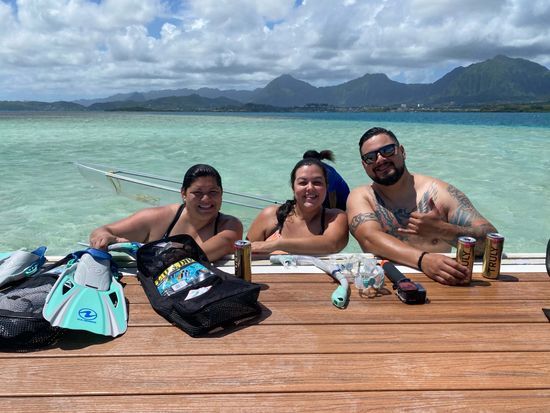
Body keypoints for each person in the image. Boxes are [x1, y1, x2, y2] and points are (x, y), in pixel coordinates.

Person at [347, 127, 498, 285]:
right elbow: (369, 239)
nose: (380, 159)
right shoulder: (362, 197)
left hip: (444, 282)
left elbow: (491, 242)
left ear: (402, 151)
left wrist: (442, 230)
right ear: (364, 165)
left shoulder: (439, 193)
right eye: (370, 157)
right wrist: (423, 260)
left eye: (387, 150)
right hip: (385, 283)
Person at [89, 164, 243, 262]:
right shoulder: (157, 218)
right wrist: (106, 238)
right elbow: (100, 231)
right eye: (197, 192)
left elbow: (201, 253)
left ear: (222, 194)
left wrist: (140, 248)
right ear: (183, 194)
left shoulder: (230, 226)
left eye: (213, 192)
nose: (206, 199)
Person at [247, 158, 349, 255]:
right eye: (303, 183)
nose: (310, 187)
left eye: (317, 182)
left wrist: (277, 245)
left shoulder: (335, 218)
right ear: (293, 187)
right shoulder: (271, 216)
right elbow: (243, 254)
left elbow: (332, 244)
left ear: (326, 187)